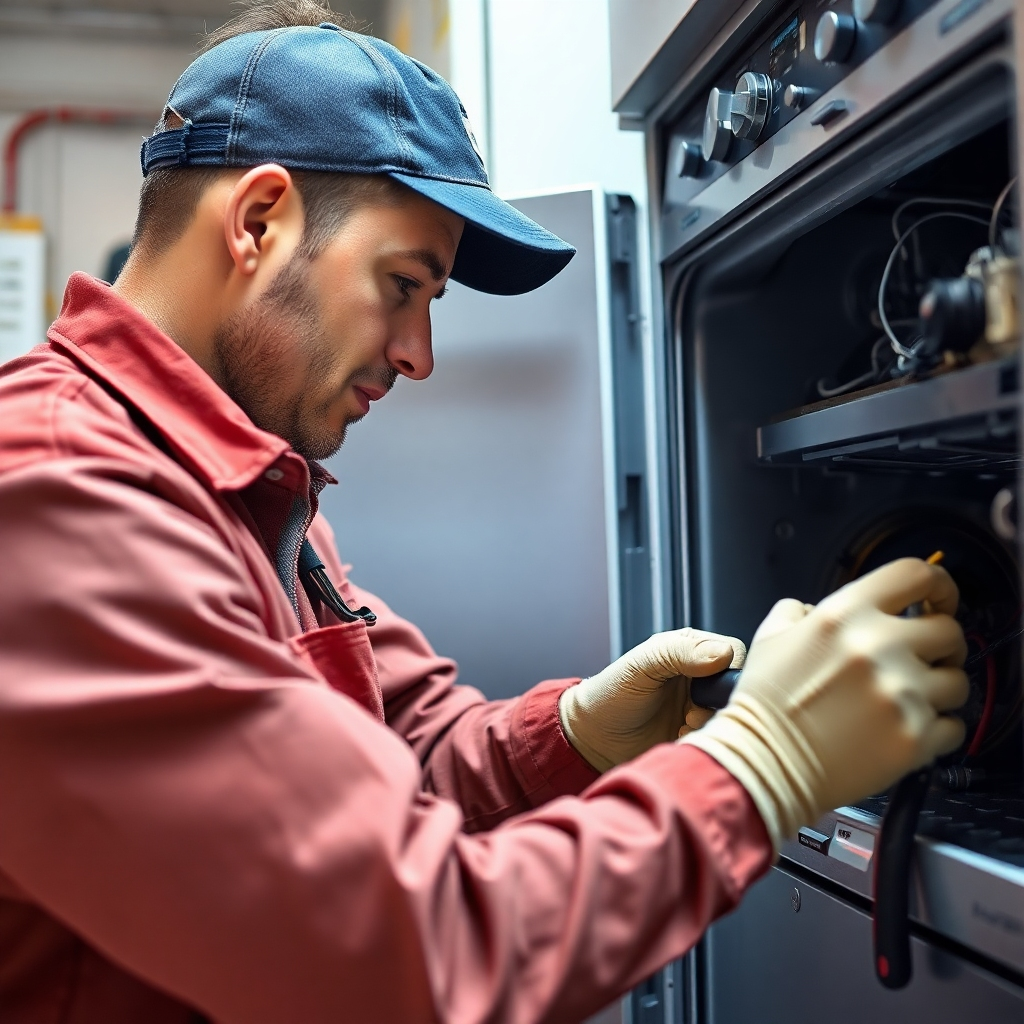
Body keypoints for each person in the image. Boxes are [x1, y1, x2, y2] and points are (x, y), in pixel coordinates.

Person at [0, 3, 969, 1022]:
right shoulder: (63, 501)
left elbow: (396, 748)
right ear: (256, 222)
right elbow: (405, 949)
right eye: (402, 283)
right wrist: (767, 763)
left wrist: (576, 733)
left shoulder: (236, 479)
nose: (418, 354)